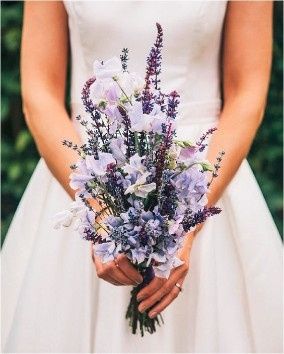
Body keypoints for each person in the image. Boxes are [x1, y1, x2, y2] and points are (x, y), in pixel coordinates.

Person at [2, 1, 282, 353]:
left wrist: (188, 220)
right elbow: (39, 93)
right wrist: (101, 210)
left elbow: (247, 93)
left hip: (201, 172)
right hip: (87, 170)